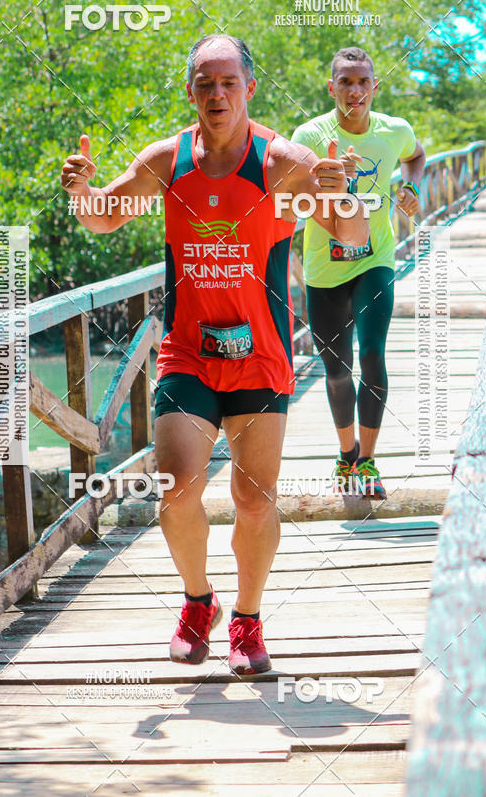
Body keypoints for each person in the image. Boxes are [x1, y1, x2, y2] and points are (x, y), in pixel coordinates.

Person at [61, 34, 369, 674]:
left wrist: (342, 194)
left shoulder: (283, 163)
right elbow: (104, 217)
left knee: (255, 499)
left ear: (249, 89)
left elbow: (353, 237)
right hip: (187, 355)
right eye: (206, 82)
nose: (217, 94)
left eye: (229, 82)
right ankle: (198, 601)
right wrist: (82, 193)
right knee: (175, 489)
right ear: (190, 89)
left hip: (261, 357)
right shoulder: (168, 160)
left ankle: (249, 622)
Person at [291, 46, 426, 500]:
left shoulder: (394, 131)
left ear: (374, 87)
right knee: (336, 368)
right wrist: (332, 182)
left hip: (375, 257)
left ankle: (366, 461)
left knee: (372, 354)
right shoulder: (309, 136)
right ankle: (345, 453)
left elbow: (416, 155)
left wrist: (410, 186)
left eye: (362, 81)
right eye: (345, 82)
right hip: (324, 267)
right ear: (331, 88)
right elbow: (294, 199)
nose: (354, 90)